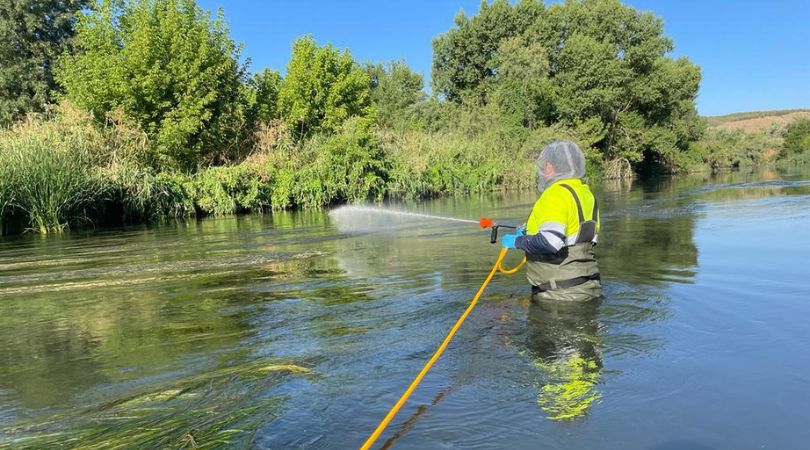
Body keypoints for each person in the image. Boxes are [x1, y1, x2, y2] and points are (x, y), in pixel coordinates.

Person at [501, 141, 601, 302]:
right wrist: (529, 232)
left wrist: (518, 241)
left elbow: (551, 242)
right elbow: (575, 236)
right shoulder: (586, 194)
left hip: (559, 296)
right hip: (589, 288)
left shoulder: (555, 194)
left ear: (549, 167)